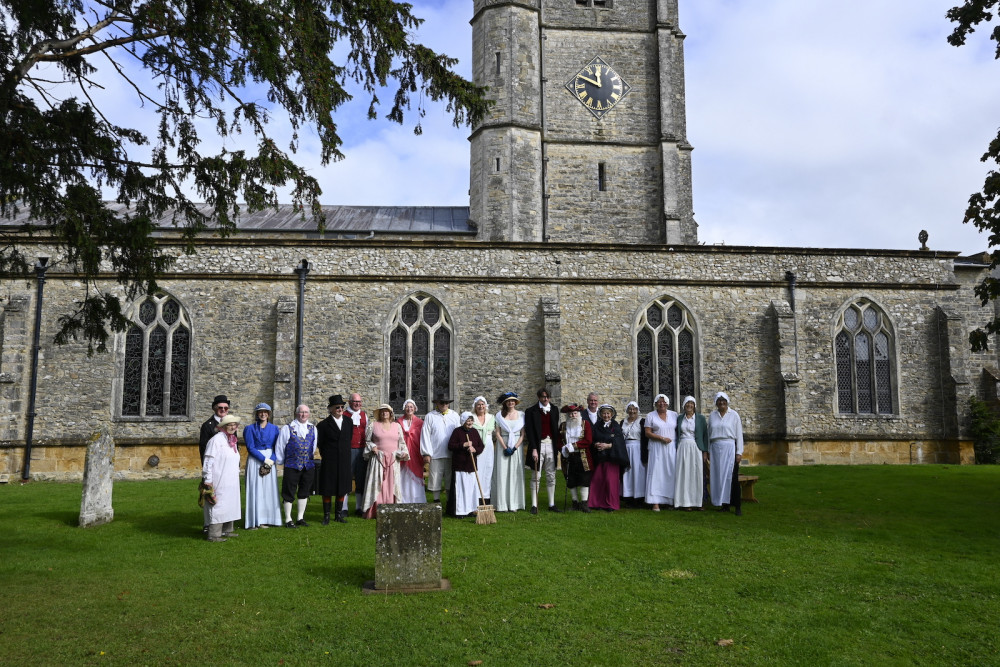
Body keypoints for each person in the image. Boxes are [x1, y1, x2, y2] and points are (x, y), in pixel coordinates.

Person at [361, 404, 408, 518]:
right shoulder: (373, 425)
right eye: (382, 411)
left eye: (386, 411)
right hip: (378, 459)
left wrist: (403, 452)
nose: (384, 413)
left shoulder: (397, 426)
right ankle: (374, 510)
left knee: (392, 484)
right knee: (378, 484)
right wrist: (372, 447)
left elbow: (401, 443)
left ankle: (391, 508)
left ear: (390, 413)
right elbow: (367, 441)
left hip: (393, 460)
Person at [202, 413, 242, 542]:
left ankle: (227, 530)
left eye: (234, 425)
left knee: (231, 503)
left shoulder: (232, 440)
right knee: (218, 505)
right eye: (229, 425)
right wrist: (207, 479)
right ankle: (214, 534)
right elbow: (208, 460)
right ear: (223, 426)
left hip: (231, 479)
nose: (232, 427)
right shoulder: (216, 440)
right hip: (219, 478)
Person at [275, 404, 317, 528]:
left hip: (308, 465)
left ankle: (300, 518)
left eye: (306, 412)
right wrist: (283, 462)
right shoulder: (287, 428)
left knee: (304, 491)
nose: (303, 415)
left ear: (309, 414)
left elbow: (313, 446)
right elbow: (280, 446)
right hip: (292, 465)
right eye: (301, 412)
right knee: (289, 491)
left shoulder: (313, 428)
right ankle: (288, 519)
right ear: (296, 413)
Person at [243, 402, 282, 529]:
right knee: (257, 489)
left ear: (269, 414)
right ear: (257, 414)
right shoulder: (249, 429)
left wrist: (271, 461)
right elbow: (250, 447)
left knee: (269, 489)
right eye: (260, 412)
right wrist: (264, 460)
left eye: (265, 412)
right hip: (255, 460)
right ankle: (257, 519)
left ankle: (270, 518)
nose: (263, 414)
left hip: (270, 460)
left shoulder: (275, 429)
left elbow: (278, 447)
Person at [524, 387, 562, 514]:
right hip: (538, 446)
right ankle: (534, 505)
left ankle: (552, 504)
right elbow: (529, 432)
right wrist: (534, 448)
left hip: (551, 445)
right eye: (543, 397)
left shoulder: (554, 409)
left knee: (551, 475)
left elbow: (555, 430)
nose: (545, 399)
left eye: (547, 397)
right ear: (539, 397)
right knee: (536, 475)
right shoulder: (531, 411)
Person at [316, 394, 353, 524]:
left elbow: (349, 439)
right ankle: (326, 515)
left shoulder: (349, 422)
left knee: (342, 487)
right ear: (330, 409)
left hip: (344, 460)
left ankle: (338, 514)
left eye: (342, 406)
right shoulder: (323, 425)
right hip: (330, 460)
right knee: (328, 487)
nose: (340, 409)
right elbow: (320, 443)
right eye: (337, 407)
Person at [420, 392, 461, 503]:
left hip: (451, 453)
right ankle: (436, 499)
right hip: (435, 452)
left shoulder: (454, 416)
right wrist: (426, 453)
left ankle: (449, 501)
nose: (444, 404)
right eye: (442, 402)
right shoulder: (430, 416)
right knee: (435, 477)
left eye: (446, 402)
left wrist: (458, 450)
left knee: (449, 477)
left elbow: (459, 433)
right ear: (437, 403)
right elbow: (425, 435)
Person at [708, 391, 744, 515]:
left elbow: (739, 434)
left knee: (732, 478)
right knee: (718, 477)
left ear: (727, 402)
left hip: (729, 447)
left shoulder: (734, 415)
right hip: (715, 448)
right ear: (716, 402)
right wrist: (707, 450)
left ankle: (737, 506)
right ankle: (724, 504)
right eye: (719, 401)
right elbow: (709, 434)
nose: (721, 403)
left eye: (723, 401)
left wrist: (739, 452)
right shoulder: (712, 415)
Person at [588, 404, 629, 511]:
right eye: (604, 413)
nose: (606, 415)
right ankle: (597, 503)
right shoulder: (597, 426)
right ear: (601, 414)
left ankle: (611, 504)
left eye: (608, 413)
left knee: (610, 481)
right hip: (600, 458)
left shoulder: (615, 426)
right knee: (598, 480)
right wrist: (596, 444)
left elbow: (619, 442)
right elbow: (592, 439)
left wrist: (608, 446)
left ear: (611, 414)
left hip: (612, 458)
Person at [446, 412, 485, 517]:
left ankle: (472, 510)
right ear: (463, 421)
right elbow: (450, 446)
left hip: (471, 465)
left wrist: (474, 449)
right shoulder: (457, 431)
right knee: (461, 489)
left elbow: (481, 446)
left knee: (471, 488)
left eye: (471, 420)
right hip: (460, 465)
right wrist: (463, 444)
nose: (470, 422)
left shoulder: (475, 432)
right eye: (468, 421)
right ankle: (460, 511)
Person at [674, 396, 708, 510]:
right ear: (684, 405)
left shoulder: (700, 419)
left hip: (695, 447)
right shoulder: (679, 418)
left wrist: (705, 451)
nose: (689, 405)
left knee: (696, 474)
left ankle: (698, 502)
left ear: (694, 405)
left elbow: (705, 436)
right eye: (687, 403)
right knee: (683, 474)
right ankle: (685, 502)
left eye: (691, 403)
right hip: (683, 447)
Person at [492, 391, 525, 512]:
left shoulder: (521, 415)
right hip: (503, 445)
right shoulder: (499, 415)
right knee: (502, 473)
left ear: (515, 402)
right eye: (508, 401)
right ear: (505, 403)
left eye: (513, 401)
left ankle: (515, 503)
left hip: (516, 445)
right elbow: (498, 433)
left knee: (515, 474)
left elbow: (522, 435)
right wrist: (505, 448)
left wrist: (515, 448)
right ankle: (502, 504)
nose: (511, 403)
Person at [644, 394, 677, 511]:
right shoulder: (650, 415)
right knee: (656, 473)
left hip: (671, 448)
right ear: (655, 403)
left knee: (670, 473)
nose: (661, 404)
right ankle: (655, 502)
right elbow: (647, 433)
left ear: (667, 403)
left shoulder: (674, 415)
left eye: (664, 402)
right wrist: (661, 438)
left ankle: (670, 500)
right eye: (659, 402)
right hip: (656, 447)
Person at [560, 403, 593, 512]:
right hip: (569, 457)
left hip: (582, 456)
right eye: (570, 414)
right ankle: (575, 503)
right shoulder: (563, 426)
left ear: (579, 414)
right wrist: (563, 449)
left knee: (584, 479)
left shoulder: (585, 424)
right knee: (571, 480)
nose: (573, 416)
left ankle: (584, 504)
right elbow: (558, 441)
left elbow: (588, 440)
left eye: (575, 413)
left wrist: (574, 446)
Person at [397, 399, 426, 503]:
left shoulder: (420, 423)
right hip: (403, 451)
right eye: (407, 407)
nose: (409, 409)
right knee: (403, 476)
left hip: (415, 452)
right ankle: (403, 499)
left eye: (411, 407)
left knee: (415, 475)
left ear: (415, 408)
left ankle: (416, 499)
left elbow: (423, 438)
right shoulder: (398, 422)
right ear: (404, 408)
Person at [345, 393, 369, 516]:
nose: (357, 404)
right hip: (348, 450)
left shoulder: (364, 415)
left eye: (359, 401)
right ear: (349, 402)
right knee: (346, 478)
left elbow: (367, 433)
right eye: (355, 401)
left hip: (362, 450)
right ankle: (343, 507)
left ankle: (359, 507)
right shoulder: (344, 415)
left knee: (361, 479)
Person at [469, 396, 495, 504]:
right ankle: (476, 496)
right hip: (476, 445)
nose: (481, 406)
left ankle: (486, 496)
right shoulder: (471, 418)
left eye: (482, 404)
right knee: (477, 470)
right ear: (475, 406)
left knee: (488, 470)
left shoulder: (491, 418)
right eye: (478, 404)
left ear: (486, 406)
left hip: (488, 446)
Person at [620, 400, 646, 507]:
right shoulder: (623, 422)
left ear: (637, 410)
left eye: (634, 409)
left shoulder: (642, 422)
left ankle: (639, 498)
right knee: (627, 473)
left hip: (638, 448)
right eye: (630, 409)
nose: (632, 411)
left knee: (639, 472)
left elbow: (645, 437)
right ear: (627, 410)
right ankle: (628, 497)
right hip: (626, 448)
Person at [199, 394, 230, 463]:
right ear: (215, 408)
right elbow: (203, 448)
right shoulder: (207, 425)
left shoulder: (231, 424)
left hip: (229, 461)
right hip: (215, 462)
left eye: (226, 408)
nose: (223, 410)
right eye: (220, 408)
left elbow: (235, 445)